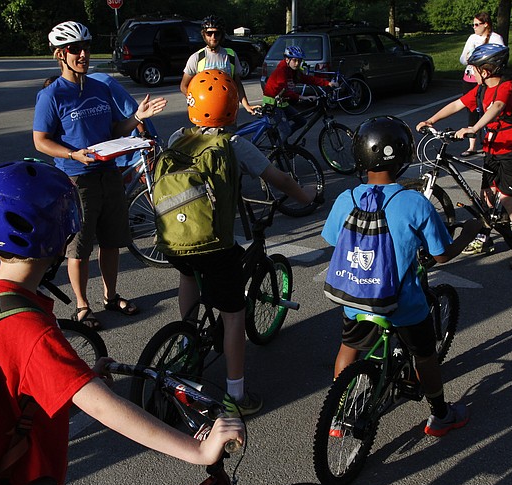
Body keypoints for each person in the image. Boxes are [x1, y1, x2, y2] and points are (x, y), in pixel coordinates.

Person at [0, 159, 244, 485]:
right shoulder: (30, 329)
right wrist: (197, 450)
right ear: (60, 235)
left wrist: (75, 375)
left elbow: (19, 371)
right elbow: (103, 408)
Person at [167, 70, 317, 416]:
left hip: (176, 238)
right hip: (215, 245)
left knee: (188, 276)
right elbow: (277, 178)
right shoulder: (234, 145)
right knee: (233, 316)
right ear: (232, 108)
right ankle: (236, 394)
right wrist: (304, 195)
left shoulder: (178, 136)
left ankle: (189, 339)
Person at [322, 116, 481, 436]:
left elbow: (331, 239)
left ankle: (337, 416)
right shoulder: (414, 203)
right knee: (425, 355)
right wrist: (469, 232)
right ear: (404, 156)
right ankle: (440, 415)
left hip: (356, 298)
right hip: (401, 304)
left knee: (348, 349)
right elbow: (442, 255)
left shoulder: (346, 198)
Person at [33, 21, 167, 331]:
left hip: (109, 172)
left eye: (86, 48)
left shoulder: (99, 87)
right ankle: (82, 305)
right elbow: (40, 140)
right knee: (80, 247)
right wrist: (71, 154)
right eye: (74, 50)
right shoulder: (52, 95)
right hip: (77, 179)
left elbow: (113, 131)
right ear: (59, 55)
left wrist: (136, 118)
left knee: (112, 241)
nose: (82, 54)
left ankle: (110, 296)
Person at [416, 43, 512, 271]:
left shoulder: (506, 87)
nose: (470, 73)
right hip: (492, 148)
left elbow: (497, 107)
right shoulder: (480, 90)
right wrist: (431, 120)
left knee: (507, 198)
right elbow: (457, 104)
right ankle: (485, 238)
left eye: (474, 69)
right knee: (486, 197)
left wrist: (474, 128)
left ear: (486, 71)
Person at [179, 15, 258, 117]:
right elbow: (183, 86)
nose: (213, 37)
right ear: (204, 34)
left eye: (217, 33)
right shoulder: (197, 58)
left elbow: (237, 84)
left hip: (228, 114)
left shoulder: (231, 56)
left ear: (222, 35)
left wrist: (246, 105)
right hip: (204, 115)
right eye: (209, 33)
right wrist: (193, 99)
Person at [262, 45, 337, 138]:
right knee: (286, 131)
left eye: (299, 61)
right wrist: (302, 97)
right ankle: (279, 149)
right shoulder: (281, 71)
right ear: (287, 60)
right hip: (272, 103)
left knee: (301, 121)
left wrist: (327, 83)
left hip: (282, 102)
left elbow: (308, 79)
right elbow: (284, 91)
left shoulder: (292, 70)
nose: (297, 63)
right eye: (294, 60)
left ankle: (282, 141)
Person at [458, 11, 504, 157]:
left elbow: (500, 58)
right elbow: (462, 59)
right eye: (473, 24)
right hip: (470, 78)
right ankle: (471, 145)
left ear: (486, 24)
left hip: (486, 79)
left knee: (488, 109)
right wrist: (471, 58)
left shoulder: (496, 38)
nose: (474, 27)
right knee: (471, 109)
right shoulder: (472, 38)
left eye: (477, 24)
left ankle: (489, 141)